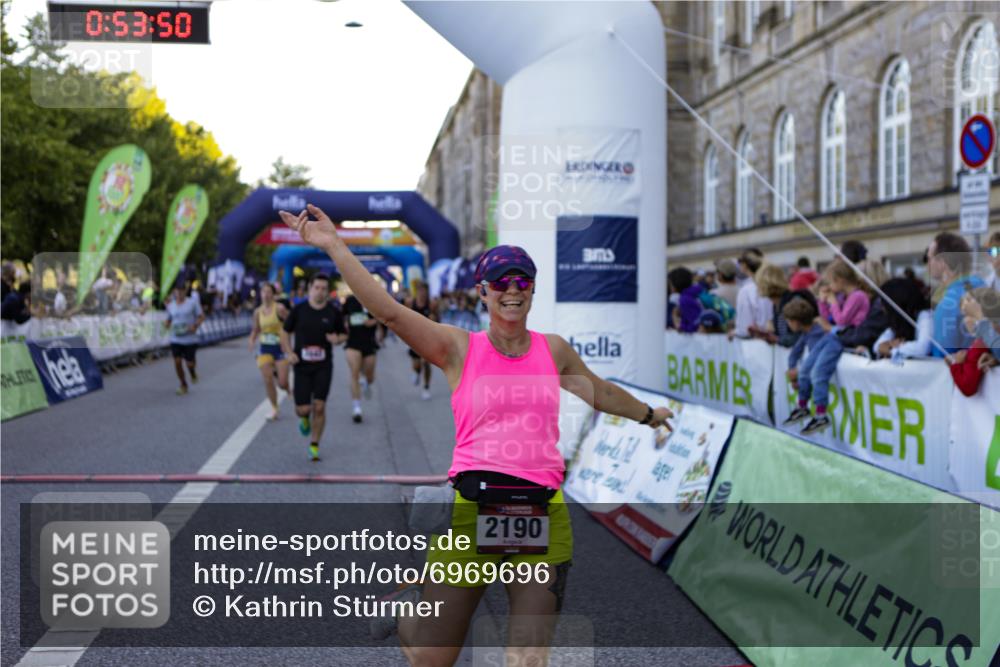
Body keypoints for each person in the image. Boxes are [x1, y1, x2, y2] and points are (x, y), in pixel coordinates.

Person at [278, 204, 674, 667]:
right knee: (432, 658)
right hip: (470, 511)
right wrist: (333, 245)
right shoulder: (458, 348)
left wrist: (649, 414)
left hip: (542, 514)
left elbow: (599, 391)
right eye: (500, 281)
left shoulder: (554, 351)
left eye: (522, 280)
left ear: (533, 289)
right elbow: (389, 312)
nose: (512, 289)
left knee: (528, 659)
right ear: (482, 292)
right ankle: (405, 610)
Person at [784, 260, 870, 435]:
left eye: (830, 282)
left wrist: (832, 302)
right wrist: (823, 302)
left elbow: (842, 321)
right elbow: (827, 320)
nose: (829, 286)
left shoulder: (858, 296)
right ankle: (802, 405)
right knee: (806, 368)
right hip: (832, 337)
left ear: (839, 280)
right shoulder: (844, 297)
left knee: (818, 373)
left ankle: (821, 414)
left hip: (842, 339)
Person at [280, 273, 347, 462]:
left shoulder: (333, 312)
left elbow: (344, 334)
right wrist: (289, 352)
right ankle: (303, 417)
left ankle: (314, 445)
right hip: (301, 366)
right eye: (317, 287)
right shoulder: (299, 310)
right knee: (303, 409)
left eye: (324, 288)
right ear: (310, 289)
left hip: (323, 366)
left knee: (319, 406)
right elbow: (284, 333)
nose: (320, 291)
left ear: (327, 291)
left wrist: (337, 339)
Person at [927, 232, 985, 357]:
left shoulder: (947, 305)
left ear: (942, 262)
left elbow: (942, 357)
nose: (928, 264)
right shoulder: (984, 287)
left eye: (930, 258)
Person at [249, 282, 290, 420]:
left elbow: (291, 323)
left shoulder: (279, 308)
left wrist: (286, 340)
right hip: (265, 348)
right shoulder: (257, 312)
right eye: (263, 292)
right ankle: (274, 408)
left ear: (273, 294)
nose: (266, 295)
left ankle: (287, 387)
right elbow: (256, 329)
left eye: (268, 292)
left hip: (280, 348)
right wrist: (252, 340)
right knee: (267, 379)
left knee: (282, 383)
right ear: (260, 294)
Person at [949, 287, 1000, 395]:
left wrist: (956, 365)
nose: (965, 321)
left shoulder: (983, 340)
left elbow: (968, 386)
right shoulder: (983, 341)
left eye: (969, 314)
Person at [342, 292, 382, 423]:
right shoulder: (350, 300)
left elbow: (382, 317)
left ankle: (366, 382)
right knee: (354, 373)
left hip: (369, 343)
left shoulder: (373, 300)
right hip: (353, 343)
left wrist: (373, 321)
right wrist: (344, 325)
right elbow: (341, 315)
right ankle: (356, 408)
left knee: (370, 377)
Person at [872, 278, 933, 362]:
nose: (882, 308)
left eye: (884, 304)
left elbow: (923, 348)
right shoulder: (898, 321)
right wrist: (889, 345)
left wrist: (892, 349)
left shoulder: (926, 316)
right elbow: (877, 346)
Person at [164, 282, 205, 396]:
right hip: (175, 339)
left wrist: (195, 326)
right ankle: (183, 384)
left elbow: (201, 317)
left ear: (185, 291)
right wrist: (167, 324)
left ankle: (192, 373)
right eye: (177, 290)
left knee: (189, 364)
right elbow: (168, 319)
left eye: (182, 290)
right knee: (177, 362)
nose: (179, 293)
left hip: (190, 339)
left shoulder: (192, 303)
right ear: (174, 292)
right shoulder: (171, 305)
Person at [781, 296, 825, 397]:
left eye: (789, 321)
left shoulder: (816, 334)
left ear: (796, 322)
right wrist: (793, 370)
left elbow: (816, 360)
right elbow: (794, 353)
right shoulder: (806, 333)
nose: (788, 325)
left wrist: (799, 372)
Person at [732, 249, 772, 338]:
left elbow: (744, 328)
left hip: (757, 341)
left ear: (744, 266)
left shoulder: (746, 290)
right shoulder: (774, 284)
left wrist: (736, 332)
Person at [406, 281, 435, 400]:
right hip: (415, 338)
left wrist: (434, 319)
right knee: (416, 365)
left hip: (428, 338)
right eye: (420, 290)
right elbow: (406, 318)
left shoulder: (432, 304)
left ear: (427, 291)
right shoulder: (410, 302)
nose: (422, 293)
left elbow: (438, 320)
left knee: (426, 363)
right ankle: (417, 372)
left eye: (424, 290)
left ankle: (426, 387)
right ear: (416, 291)